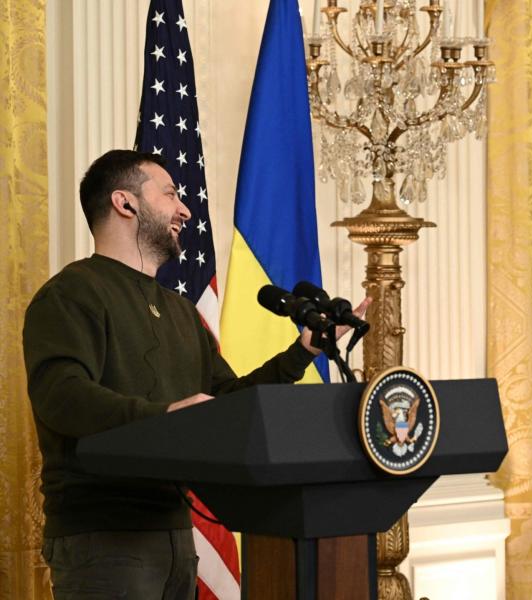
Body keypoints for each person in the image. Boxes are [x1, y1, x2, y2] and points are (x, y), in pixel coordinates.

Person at [23, 149, 368, 599]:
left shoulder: (182, 313)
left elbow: (228, 403)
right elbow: (61, 397)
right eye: (169, 194)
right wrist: (167, 415)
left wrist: (302, 353)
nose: (185, 210)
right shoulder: (70, 294)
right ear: (125, 204)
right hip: (104, 536)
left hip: (177, 532)